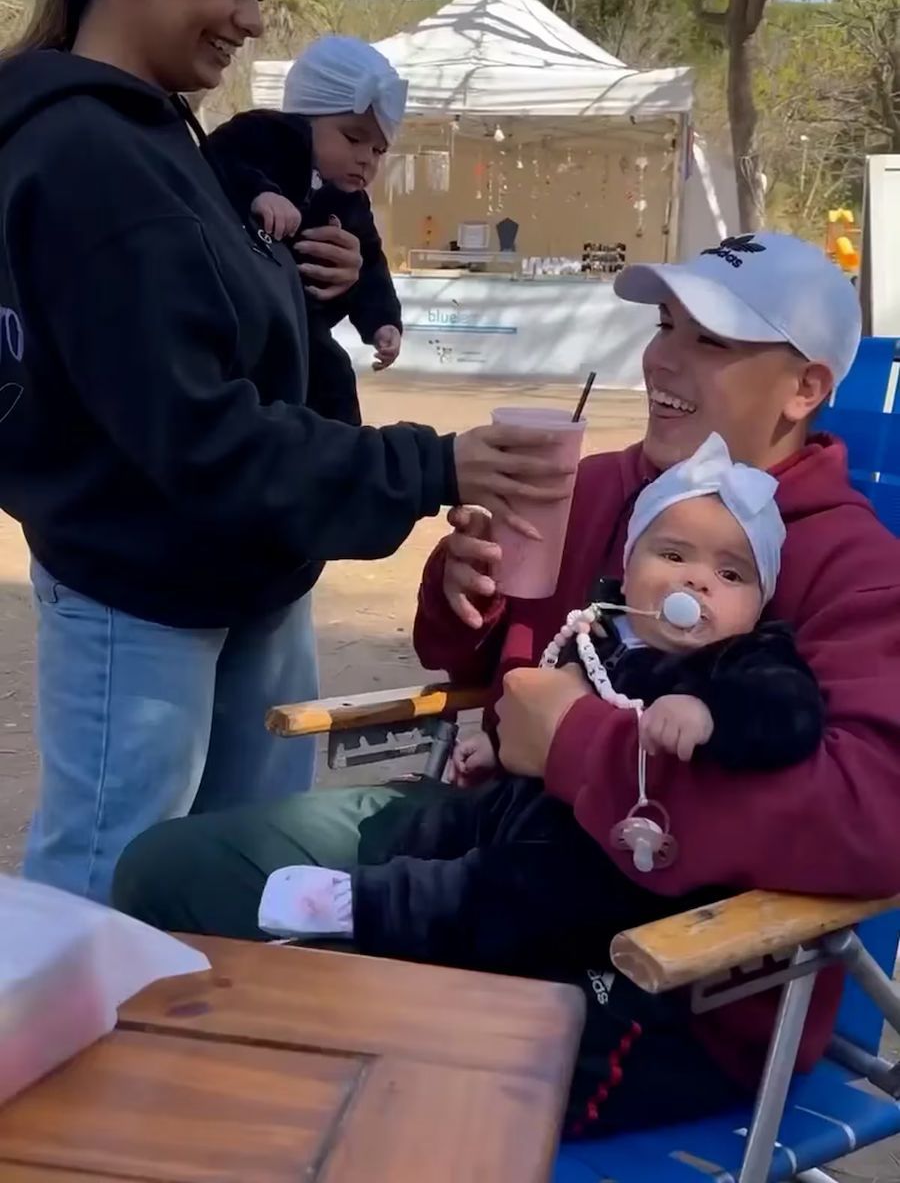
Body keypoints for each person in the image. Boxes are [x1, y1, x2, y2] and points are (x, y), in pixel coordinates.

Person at [112, 230, 900, 1139]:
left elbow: (870, 819)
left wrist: (574, 745)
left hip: (661, 967)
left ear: (804, 389)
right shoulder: (598, 485)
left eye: (710, 341)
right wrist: (463, 600)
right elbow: (486, 673)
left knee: (335, 1081)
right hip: (485, 835)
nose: (660, 359)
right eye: (663, 324)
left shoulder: (856, 568)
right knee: (167, 874)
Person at [0, 0, 569, 904]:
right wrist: (431, 465)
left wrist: (311, 295)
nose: (254, 19)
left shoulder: (160, 137)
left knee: (237, 880)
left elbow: (207, 343)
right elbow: (200, 433)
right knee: (104, 890)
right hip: (145, 591)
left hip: (242, 573)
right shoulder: (85, 162)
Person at [253, 432, 824, 1117]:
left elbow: (790, 713)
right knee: (453, 823)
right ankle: (369, 942)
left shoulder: (743, 662)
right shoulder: (601, 633)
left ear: (759, 605)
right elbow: (534, 710)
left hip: (620, 894)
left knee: (517, 890)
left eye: (732, 575)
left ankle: (372, 907)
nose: (698, 581)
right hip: (536, 813)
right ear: (632, 564)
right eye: (673, 555)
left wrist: (710, 715)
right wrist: (502, 749)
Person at [206, 35, 406, 428]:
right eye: (353, 138)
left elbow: (370, 265)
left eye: (379, 151)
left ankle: (343, 459)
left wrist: (382, 321)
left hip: (304, 323)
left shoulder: (351, 201)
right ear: (304, 121)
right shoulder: (264, 136)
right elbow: (219, 158)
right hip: (242, 312)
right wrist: (259, 192)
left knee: (334, 375)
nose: (366, 159)